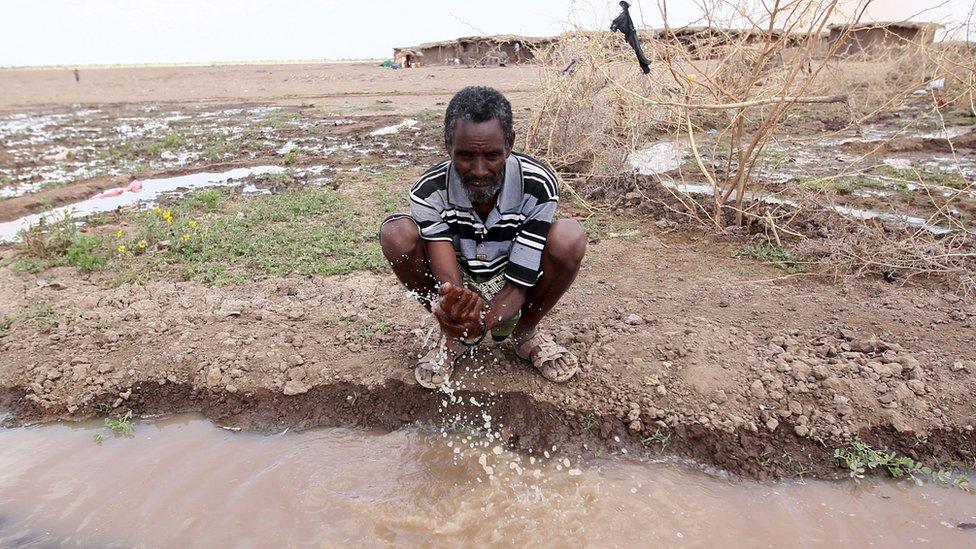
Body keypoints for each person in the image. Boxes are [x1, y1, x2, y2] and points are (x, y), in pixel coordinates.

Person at [380, 86, 586, 389]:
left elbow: (518, 284)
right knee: (396, 233)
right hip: (460, 273)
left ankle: (525, 332)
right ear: (448, 145)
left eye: (492, 155)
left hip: (515, 275)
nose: (479, 170)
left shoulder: (538, 184)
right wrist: (457, 311)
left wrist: (481, 325)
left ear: (510, 144)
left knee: (570, 236)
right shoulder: (429, 190)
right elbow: (448, 278)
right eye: (465, 156)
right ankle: (451, 336)